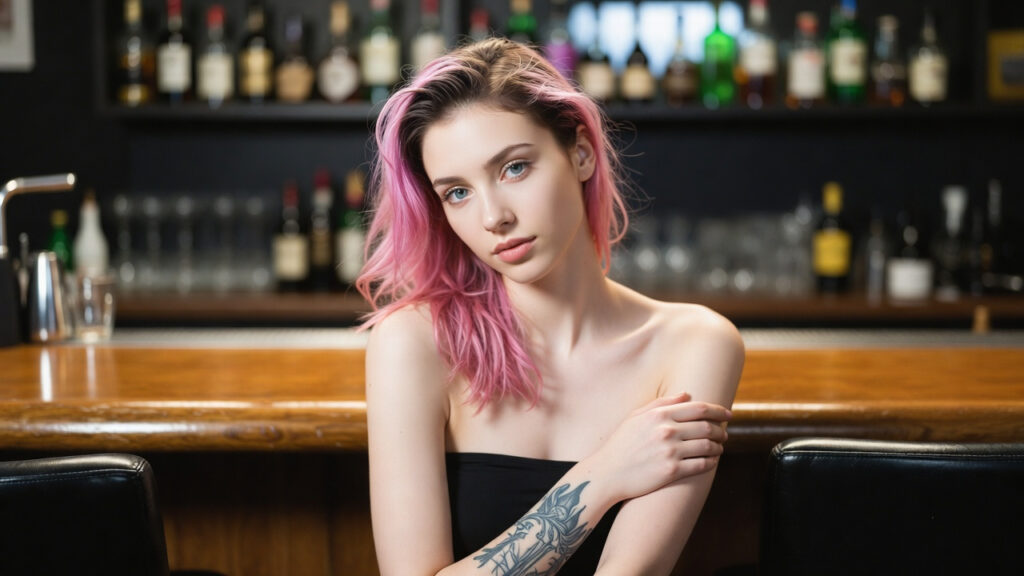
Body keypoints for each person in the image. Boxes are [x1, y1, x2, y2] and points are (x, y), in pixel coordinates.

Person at [358, 37, 744, 576]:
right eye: (457, 193)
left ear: (580, 153)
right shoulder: (414, 343)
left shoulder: (694, 343)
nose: (493, 216)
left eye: (514, 168)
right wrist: (601, 477)